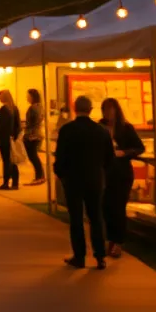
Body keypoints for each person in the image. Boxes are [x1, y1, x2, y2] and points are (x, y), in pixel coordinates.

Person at [54, 95, 113, 270]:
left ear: (74, 107)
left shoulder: (67, 130)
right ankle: (100, 256)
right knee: (96, 217)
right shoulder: (101, 131)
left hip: (73, 180)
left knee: (76, 218)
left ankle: (79, 257)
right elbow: (109, 158)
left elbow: (60, 156)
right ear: (91, 109)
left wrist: (61, 174)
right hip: (94, 179)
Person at [100, 97, 145, 260]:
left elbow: (139, 147)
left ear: (116, 110)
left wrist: (124, 153)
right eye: (105, 109)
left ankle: (118, 242)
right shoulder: (99, 127)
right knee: (106, 208)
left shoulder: (126, 128)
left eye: (111, 109)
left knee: (118, 208)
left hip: (121, 174)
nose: (108, 112)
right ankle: (110, 240)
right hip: (104, 173)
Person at [0, 90, 23, 191]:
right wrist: (14, 136)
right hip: (12, 139)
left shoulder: (3, 110)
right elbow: (18, 125)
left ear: (4, 97)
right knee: (13, 160)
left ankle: (5, 183)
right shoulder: (14, 109)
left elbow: (0, 126)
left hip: (4, 139)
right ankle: (15, 183)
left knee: (6, 161)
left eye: (0, 96)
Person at [23, 89, 46, 185]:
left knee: (33, 157)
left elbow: (31, 122)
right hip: (37, 134)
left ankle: (39, 176)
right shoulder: (40, 107)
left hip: (31, 135)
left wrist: (23, 126)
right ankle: (40, 176)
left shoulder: (32, 108)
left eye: (28, 96)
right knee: (34, 156)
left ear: (32, 97)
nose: (27, 98)